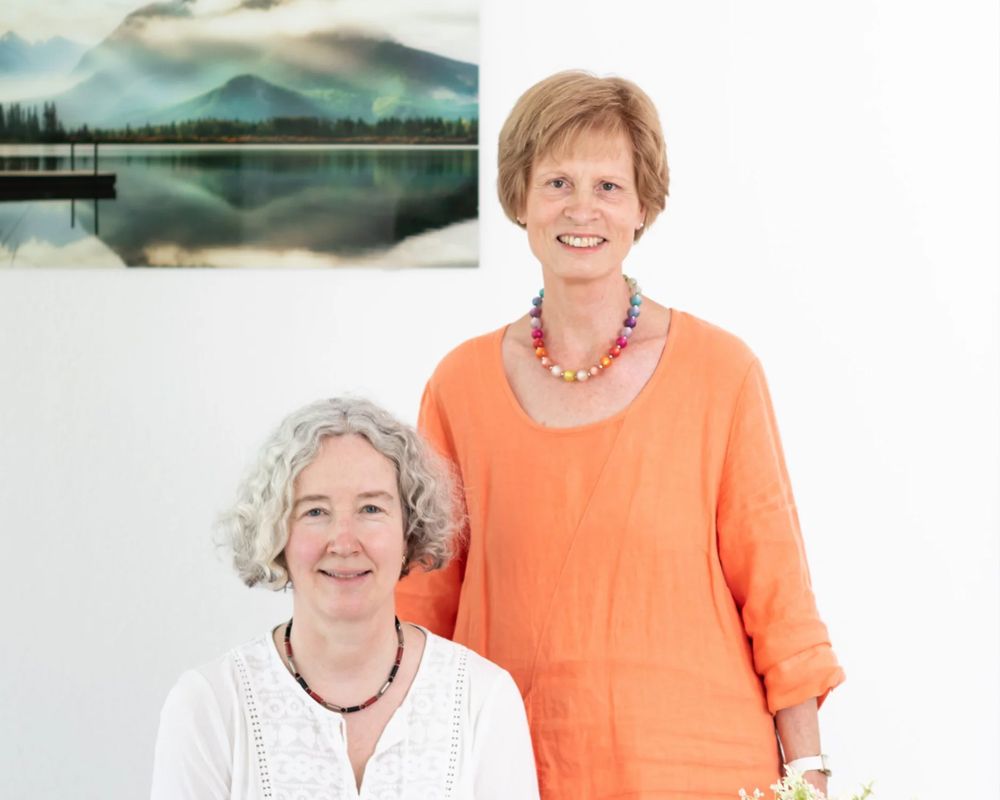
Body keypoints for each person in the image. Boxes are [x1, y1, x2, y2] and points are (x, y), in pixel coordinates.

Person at [396, 71, 845, 799]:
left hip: (704, 773)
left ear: (643, 208)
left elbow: (779, 598)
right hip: (513, 769)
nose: (583, 209)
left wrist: (807, 775)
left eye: (609, 186)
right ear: (520, 199)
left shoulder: (722, 373)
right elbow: (420, 611)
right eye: (557, 183)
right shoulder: (459, 385)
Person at [151, 398, 540, 799]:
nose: (344, 542)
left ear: (409, 531)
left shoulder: (482, 699)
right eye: (315, 512)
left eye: (371, 508)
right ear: (276, 534)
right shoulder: (210, 705)